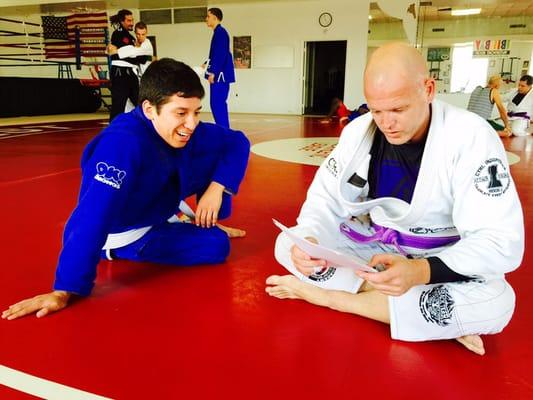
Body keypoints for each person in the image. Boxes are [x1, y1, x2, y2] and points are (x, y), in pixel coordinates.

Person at [266, 43, 524, 356]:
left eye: (398, 109)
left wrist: (421, 272)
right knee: (288, 245)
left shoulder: (470, 136)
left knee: (499, 303)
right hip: (374, 252)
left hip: (440, 258)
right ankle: (420, 312)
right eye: (377, 110)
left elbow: (500, 242)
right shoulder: (359, 132)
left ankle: (332, 298)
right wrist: (309, 238)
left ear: (428, 89)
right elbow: (324, 202)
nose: (386, 123)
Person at [2, 59, 250, 320]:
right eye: (181, 113)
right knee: (215, 246)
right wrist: (64, 290)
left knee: (216, 160)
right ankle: (114, 250)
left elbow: (238, 142)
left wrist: (216, 188)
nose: (191, 123)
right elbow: (93, 215)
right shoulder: (121, 145)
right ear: (150, 109)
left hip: (155, 204)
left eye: (197, 112)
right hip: (126, 229)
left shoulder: (187, 129)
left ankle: (199, 219)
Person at [108, 21, 155, 112]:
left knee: (142, 105)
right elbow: (133, 53)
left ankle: (149, 123)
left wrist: (115, 52)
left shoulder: (146, 44)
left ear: (147, 33)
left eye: (143, 34)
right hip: (136, 76)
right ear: (135, 33)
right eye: (138, 34)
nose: (140, 37)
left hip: (146, 80)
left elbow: (133, 53)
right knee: (129, 106)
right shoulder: (134, 42)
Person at [203, 7, 235, 128]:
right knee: (217, 104)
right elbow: (216, 53)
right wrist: (206, 63)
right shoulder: (218, 33)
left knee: (217, 104)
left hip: (220, 77)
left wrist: (213, 72)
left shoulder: (221, 33)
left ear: (215, 18)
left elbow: (221, 55)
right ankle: (224, 131)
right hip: (219, 75)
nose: (206, 19)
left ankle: (224, 133)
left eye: (208, 16)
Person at [107, 9, 140, 122]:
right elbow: (121, 53)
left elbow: (133, 55)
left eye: (132, 20)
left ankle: (144, 127)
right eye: (129, 21)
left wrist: (134, 51)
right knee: (118, 104)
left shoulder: (131, 37)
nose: (131, 23)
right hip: (120, 72)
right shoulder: (117, 34)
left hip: (130, 72)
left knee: (139, 101)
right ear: (122, 21)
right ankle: (113, 130)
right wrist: (133, 50)